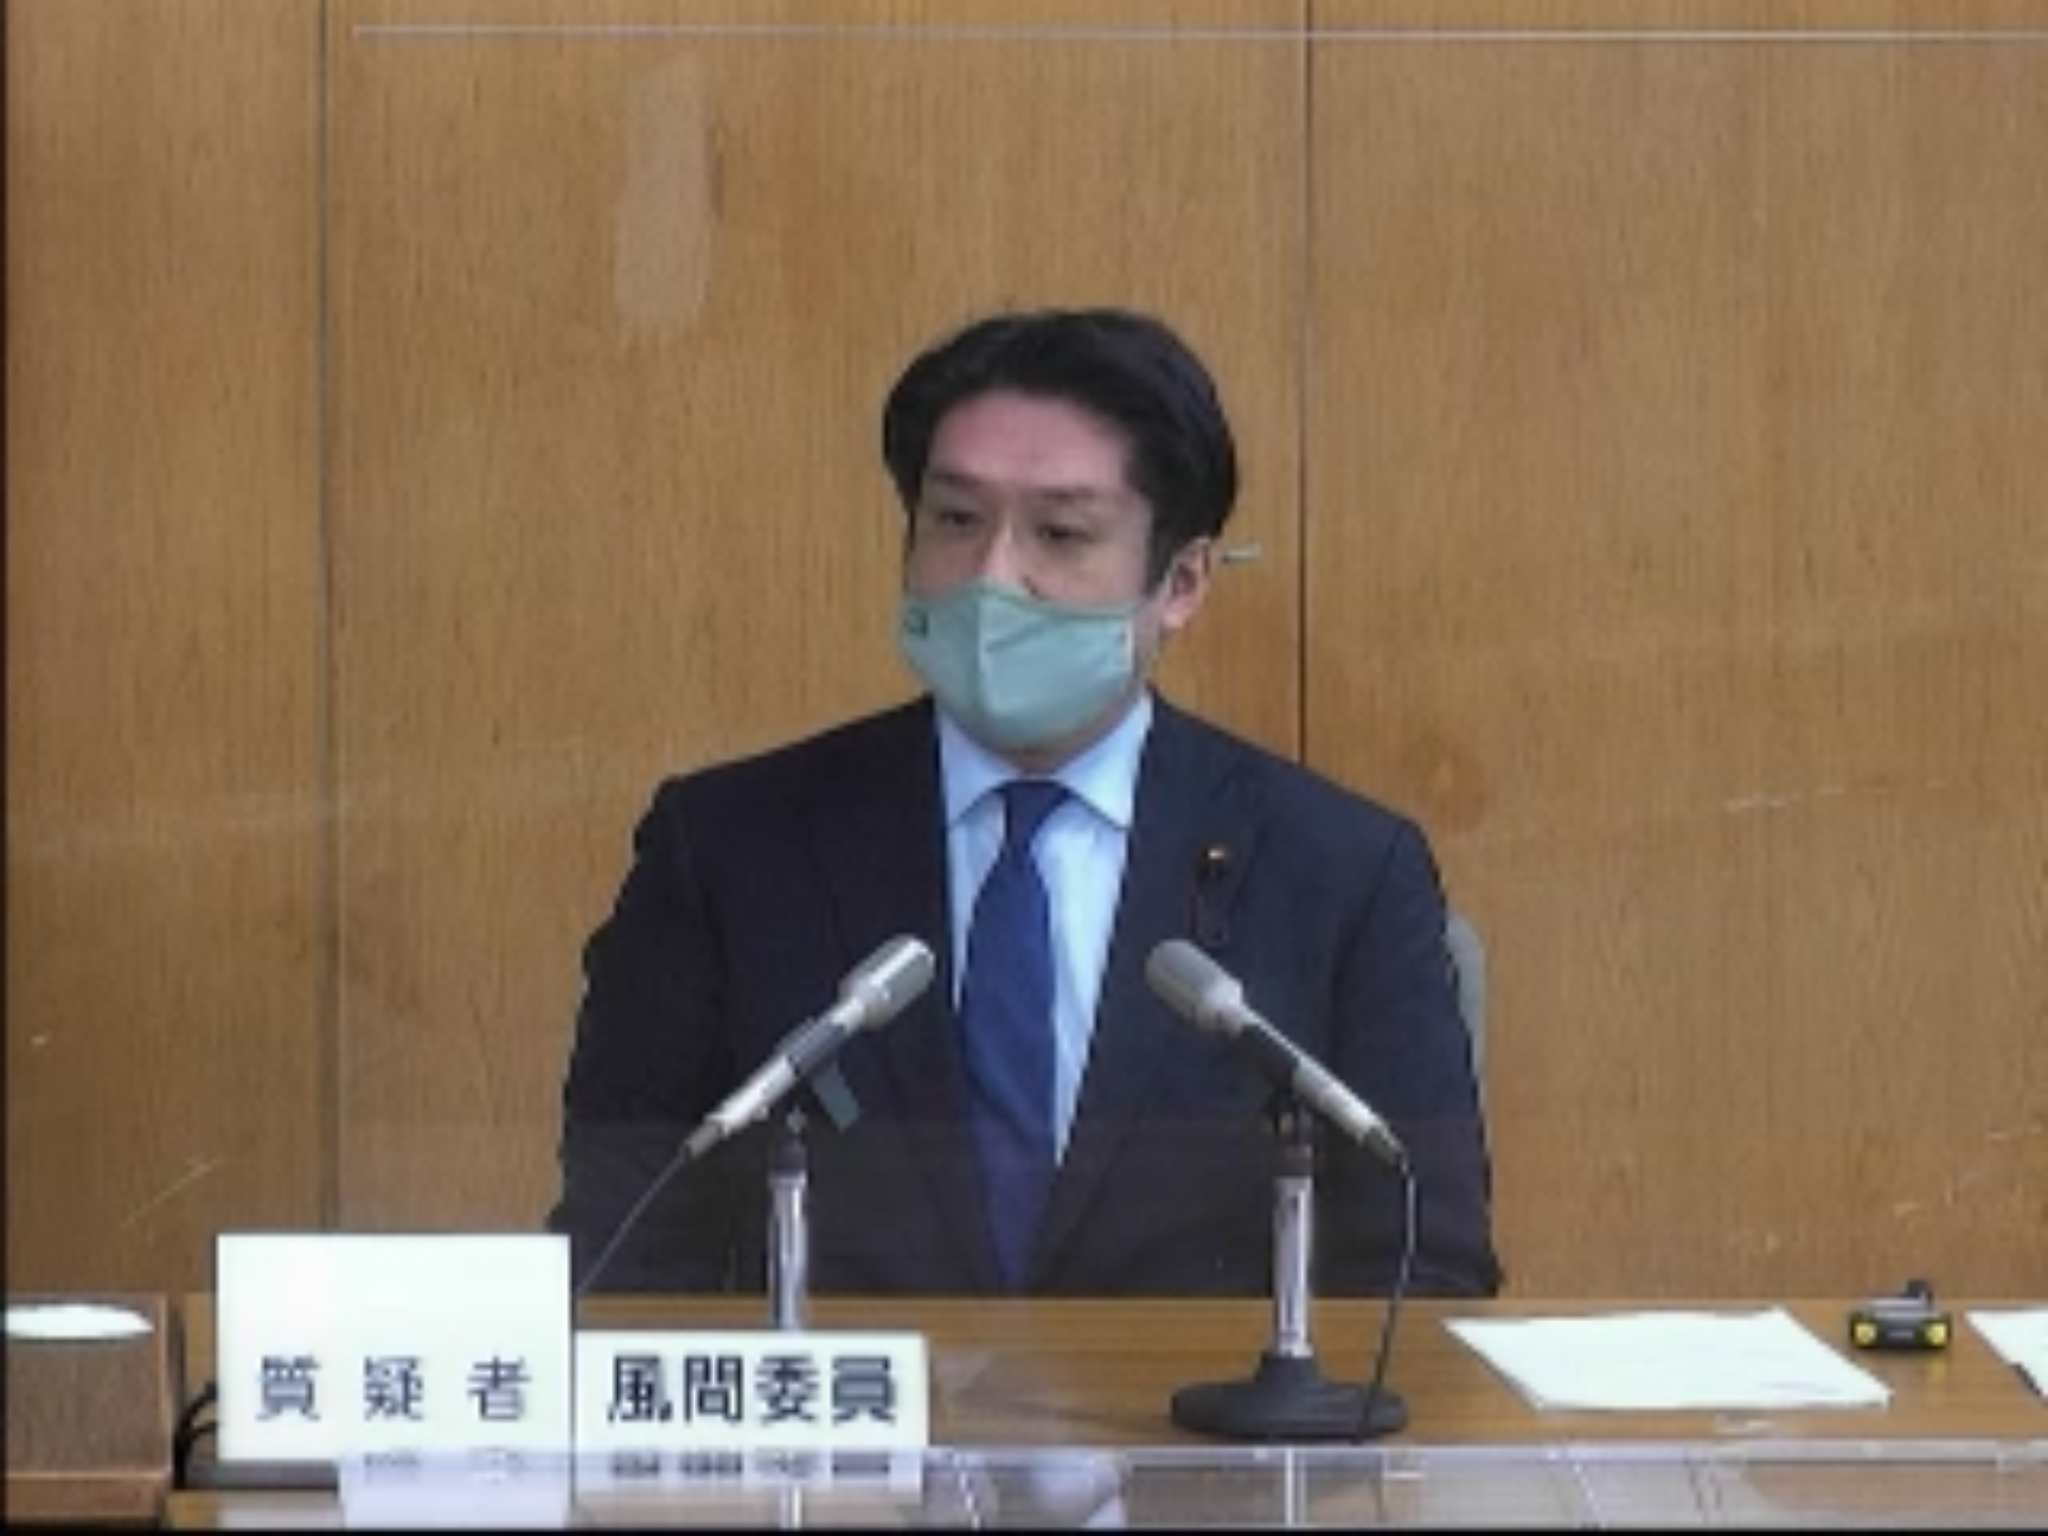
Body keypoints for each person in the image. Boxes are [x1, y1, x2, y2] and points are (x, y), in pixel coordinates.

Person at [547, 307, 1501, 1298]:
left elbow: (1422, 1268)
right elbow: (621, 1249)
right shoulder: (728, 850)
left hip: (1199, 1402)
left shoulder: (1339, 871)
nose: (992, 577)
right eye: (955, 520)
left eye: (1060, 532)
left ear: (1180, 582)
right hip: (846, 1399)